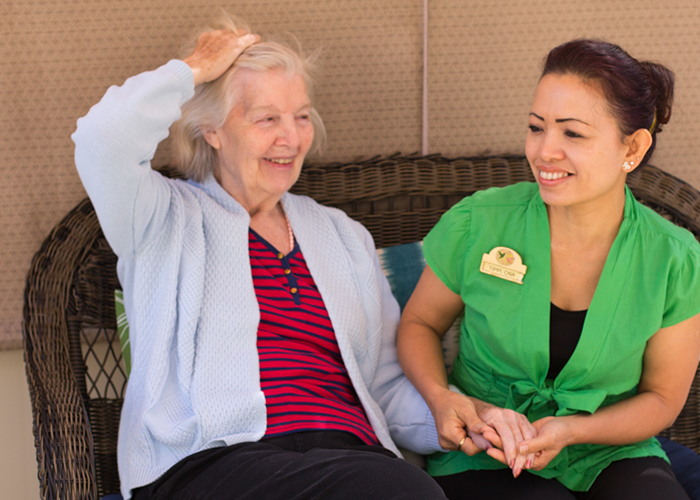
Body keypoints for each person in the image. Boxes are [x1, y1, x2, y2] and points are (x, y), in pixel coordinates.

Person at [72, 15, 447, 500]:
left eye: (302, 116)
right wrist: (192, 69)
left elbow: (386, 388)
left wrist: (455, 419)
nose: (290, 138)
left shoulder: (341, 235)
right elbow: (102, 139)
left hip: (349, 458)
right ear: (212, 130)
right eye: (267, 118)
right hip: (212, 464)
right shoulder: (162, 219)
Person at [396, 39, 700, 500]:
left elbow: (661, 400)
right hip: (488, 448)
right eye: (535, 127)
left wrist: (571, 431)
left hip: (608, 450)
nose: (545, 151)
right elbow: (420, 323)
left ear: (633, 146)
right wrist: (444, 399)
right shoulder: (478, 224)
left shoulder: (675, 261)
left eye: (572, 134)